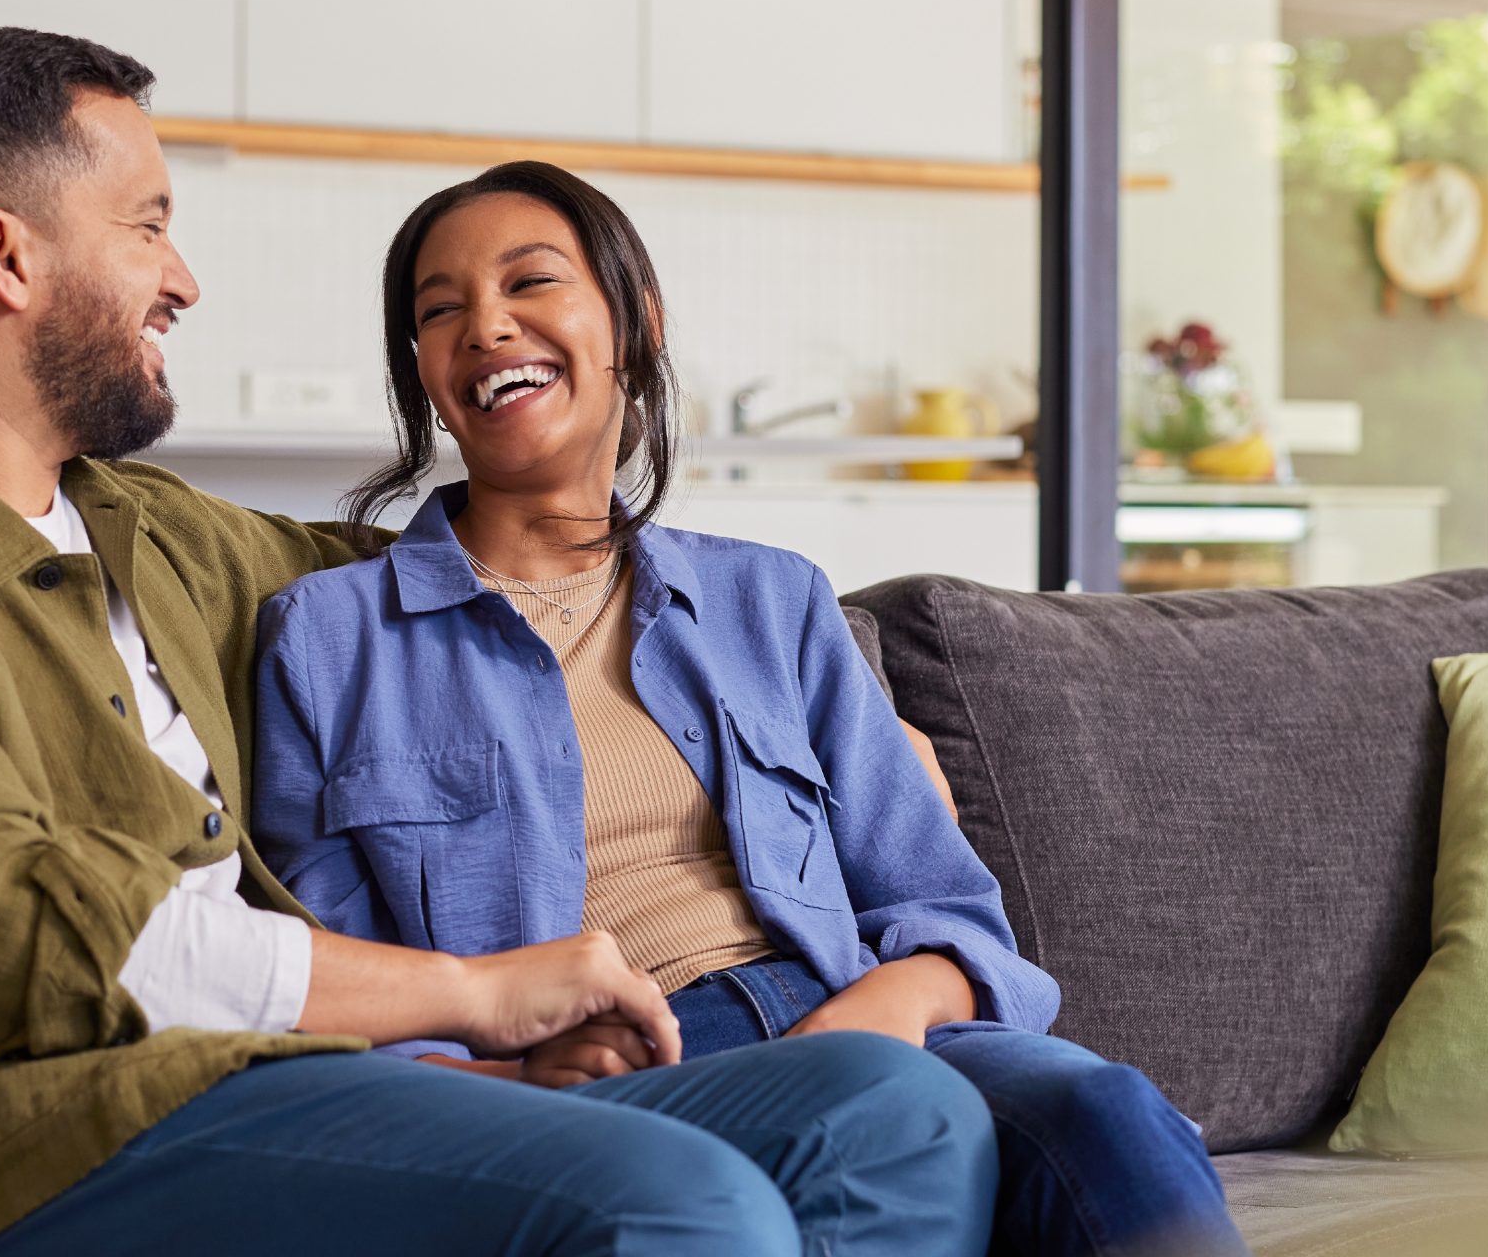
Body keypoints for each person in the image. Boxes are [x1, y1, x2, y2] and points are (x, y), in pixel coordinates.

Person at [0, 29, 1000, 1257]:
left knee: (889, 1115)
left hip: (289, 1089)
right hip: (16, 1151)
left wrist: (821, 699)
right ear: (8, 257)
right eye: (148, 226)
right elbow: (13, 944)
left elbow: (486, 570)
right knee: (678, 1204)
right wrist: (467, 996)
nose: (181, 278)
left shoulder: (163, 538)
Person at [249, 160, 1251, 1257]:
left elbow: (948, 905)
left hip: (850, 1010)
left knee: (1105, 1112)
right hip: (617, 1074)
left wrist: (897, 1002)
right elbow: (330, 980)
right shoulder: (329, 638)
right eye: (440, 309)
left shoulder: (771, 599)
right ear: (426, 375)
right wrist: (500, 1069)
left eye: (530, 282)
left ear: (633, 322)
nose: (485, 325)